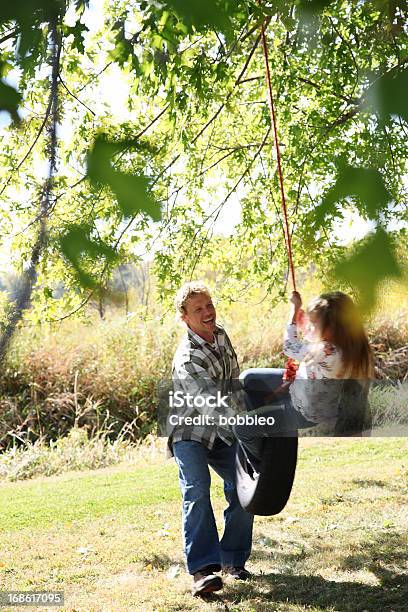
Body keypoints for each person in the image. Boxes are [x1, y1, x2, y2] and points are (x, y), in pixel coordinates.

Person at [168, 281, 254, 596]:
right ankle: (203, 572)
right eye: (198, 309)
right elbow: (207, 402)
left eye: (209, 305)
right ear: (184, 318)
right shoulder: (187, 357)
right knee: (197, 491)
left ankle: (233, 560)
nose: (207, 312)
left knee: (245, 489)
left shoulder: (220, 336)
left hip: (224, 429)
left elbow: (233, 385)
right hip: (190, 431)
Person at [235, 290, 373, 463]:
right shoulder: (349, 347)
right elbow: (311, 340)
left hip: (300, 410)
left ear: (332, 328)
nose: (309, 327)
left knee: (242, 427)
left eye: (314, 323)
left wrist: (294, 309)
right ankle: (269, 433)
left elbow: (290, 347)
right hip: (302, 391)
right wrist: (305, 322)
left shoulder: (327, 351)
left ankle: (264, 466)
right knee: (249, 377)